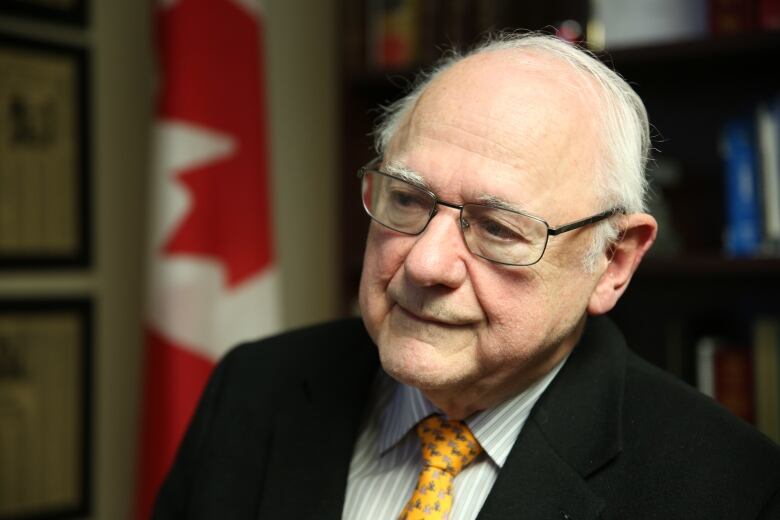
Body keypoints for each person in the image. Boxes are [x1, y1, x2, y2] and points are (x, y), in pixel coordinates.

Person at [153, 33, 780, 519]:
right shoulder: (252, 389)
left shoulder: (729, 488)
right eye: (406, 199)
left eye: (499, 228)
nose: (424, 264)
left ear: (613, 262)